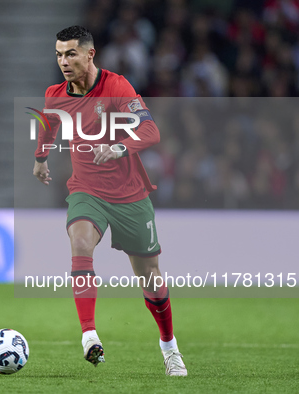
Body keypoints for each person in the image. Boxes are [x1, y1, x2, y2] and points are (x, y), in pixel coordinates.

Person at [32, 26, 187, 376]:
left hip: (130, 195)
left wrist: (118, 146)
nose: (63, 61)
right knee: (80, 242)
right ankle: (89, 334)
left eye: (70, 53)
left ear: (90, 54)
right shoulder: (55, 94)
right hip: (86, 190)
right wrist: (40, 158)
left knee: (150, 278)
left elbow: (151, 131)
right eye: (58, 54)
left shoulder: (117, 87)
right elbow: (49, 125)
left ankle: (169, 347)